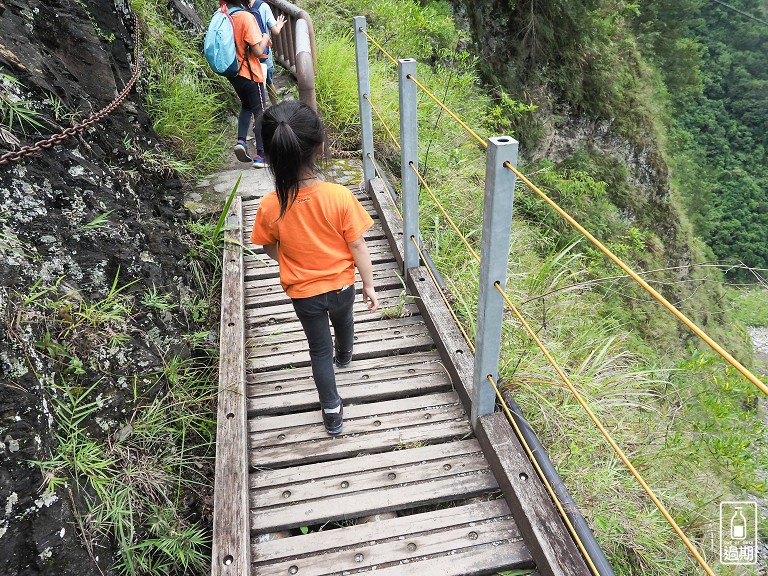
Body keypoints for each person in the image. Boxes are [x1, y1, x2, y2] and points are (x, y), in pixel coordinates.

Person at [250, 101, 379, 435]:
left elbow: (267, 245)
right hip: (341, 287)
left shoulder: (269, 204)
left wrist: (290, 260)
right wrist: (369, 284)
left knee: (318, 350)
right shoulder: (339, 196)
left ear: (273, 154)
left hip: (304, 294)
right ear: (320, 147)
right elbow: (357, 245)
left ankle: (332, 413)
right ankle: (347, 355)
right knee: (345, 320)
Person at [226, 0, 270, 168]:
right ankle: (261, 156)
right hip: (250, 72)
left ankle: (242, 141)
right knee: (260, 112)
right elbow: (258, 51)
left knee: (246, 106)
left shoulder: (224, 17)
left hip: (234, 73)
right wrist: (265, 36)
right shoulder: (245, 17)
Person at [249, 0, 285, 106]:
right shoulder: (263, 6)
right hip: (264, 53)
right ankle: (275, 106)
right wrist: (279, 24)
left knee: (253, 84)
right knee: (269, 82)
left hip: (248, 55)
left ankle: (259, 109)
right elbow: (275, 31)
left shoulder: (240, 6)